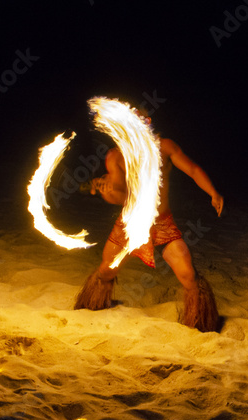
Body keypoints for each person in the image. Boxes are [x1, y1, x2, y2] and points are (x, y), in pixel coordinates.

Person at [74, 109, 224, 333]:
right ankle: (92, 305)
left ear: (148, 123)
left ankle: (201, 322)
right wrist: (107, 192)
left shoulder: (165, 148)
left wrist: (213, 192)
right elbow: (121, 196)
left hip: (162, 223)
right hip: (130, 223)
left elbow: (193, 169)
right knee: (106, 271)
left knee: (188, 275)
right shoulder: (116, 157)